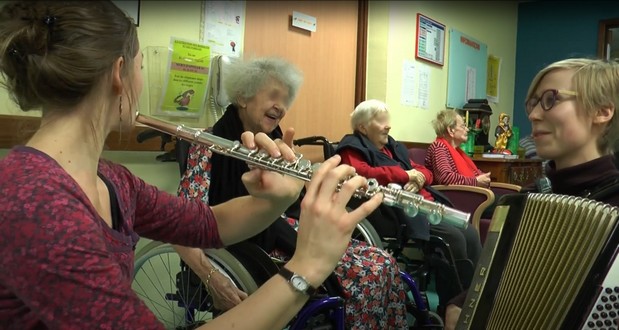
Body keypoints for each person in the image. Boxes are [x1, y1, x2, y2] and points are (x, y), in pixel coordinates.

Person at [0, 2, 383, 329]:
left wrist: (275, 199)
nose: (140, 78)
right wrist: (307, 267)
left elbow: (208, 223)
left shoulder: (113, 179)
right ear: (120, 74)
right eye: (139, 67)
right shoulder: (37, 204)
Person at [174, 58, 408, 329]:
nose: (281, 107)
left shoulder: (278, 145)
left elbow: (296, 204)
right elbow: (182, 226)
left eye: (286, 99)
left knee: (385, 262)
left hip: (291, 233)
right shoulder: (210, 143)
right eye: (273, 95)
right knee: (369, 274)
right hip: (248, 249)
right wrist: (212, 277)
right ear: (242, 96)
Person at [443, 57, 619, 330]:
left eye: (550, 99)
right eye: (534, 103)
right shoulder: (524, 201)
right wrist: (462, 304)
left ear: (602, 111)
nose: (534, 115)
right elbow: (499, 275)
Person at [334, 99, 482, 316]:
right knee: (455, 238)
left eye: (388, 121)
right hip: (395, 211)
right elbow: (362, 173)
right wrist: (404, 175)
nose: (388, 126)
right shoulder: (352, 147)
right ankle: (451, 308)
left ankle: (474, 299)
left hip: (423, 203)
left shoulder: (392, 146)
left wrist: (420, 178)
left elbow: (423, 170)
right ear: (363, 127)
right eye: (381, 121)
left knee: (469, 232)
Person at [425, 109, 492, 188]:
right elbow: (446, 178)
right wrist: (476, 181)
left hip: (470, 193)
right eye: (463, 126)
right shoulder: (439, 147)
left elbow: (475, 173)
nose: (467, 129)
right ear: (450, 130)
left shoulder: (457, 151)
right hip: (455, 196)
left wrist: (484, 178)